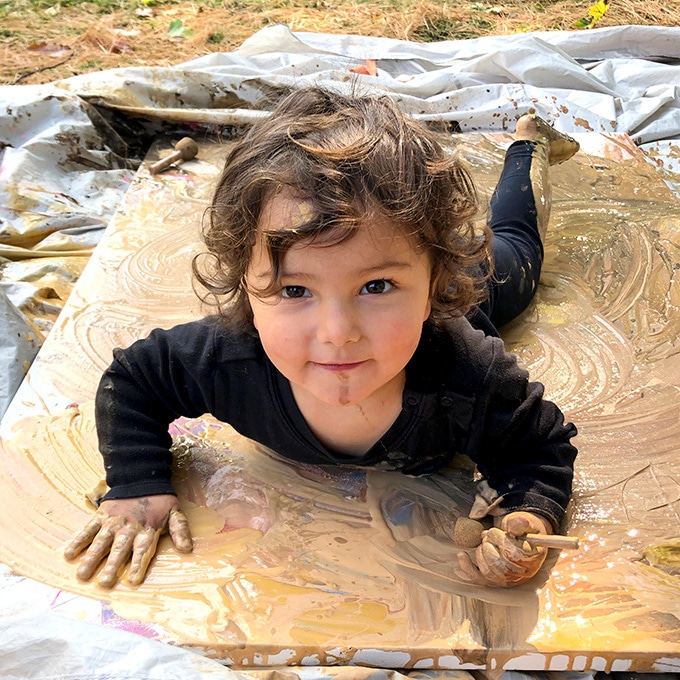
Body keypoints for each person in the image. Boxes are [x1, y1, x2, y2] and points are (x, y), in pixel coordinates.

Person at [64, 86, 579, 590]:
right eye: (294, 289)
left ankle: (527, 146)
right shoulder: (225, 359)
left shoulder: (471, 375)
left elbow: (539, 448)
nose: (338, 334)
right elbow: (133, 379)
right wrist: (137, 483)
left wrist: (527, 515)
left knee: (515, 244)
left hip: (479, 282)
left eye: (376, 286)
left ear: (432, 289)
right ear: (245, 285)